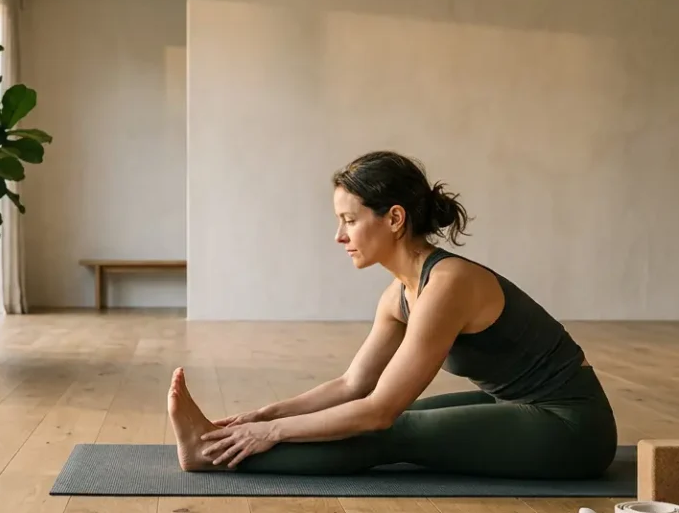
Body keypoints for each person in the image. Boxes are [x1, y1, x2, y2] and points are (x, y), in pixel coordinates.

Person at [168, 150, 618, 479]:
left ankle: (209, 455)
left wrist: (277, 432)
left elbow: (378, 411)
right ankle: (217, 445)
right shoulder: (399, 295)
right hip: (518, 405)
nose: (339, 236)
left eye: (349, 219)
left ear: (395, 218)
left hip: (571, 430)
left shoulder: (449, 284)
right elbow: (353, 385)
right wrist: (265, 415)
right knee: (384, 420)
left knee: (390, 429)